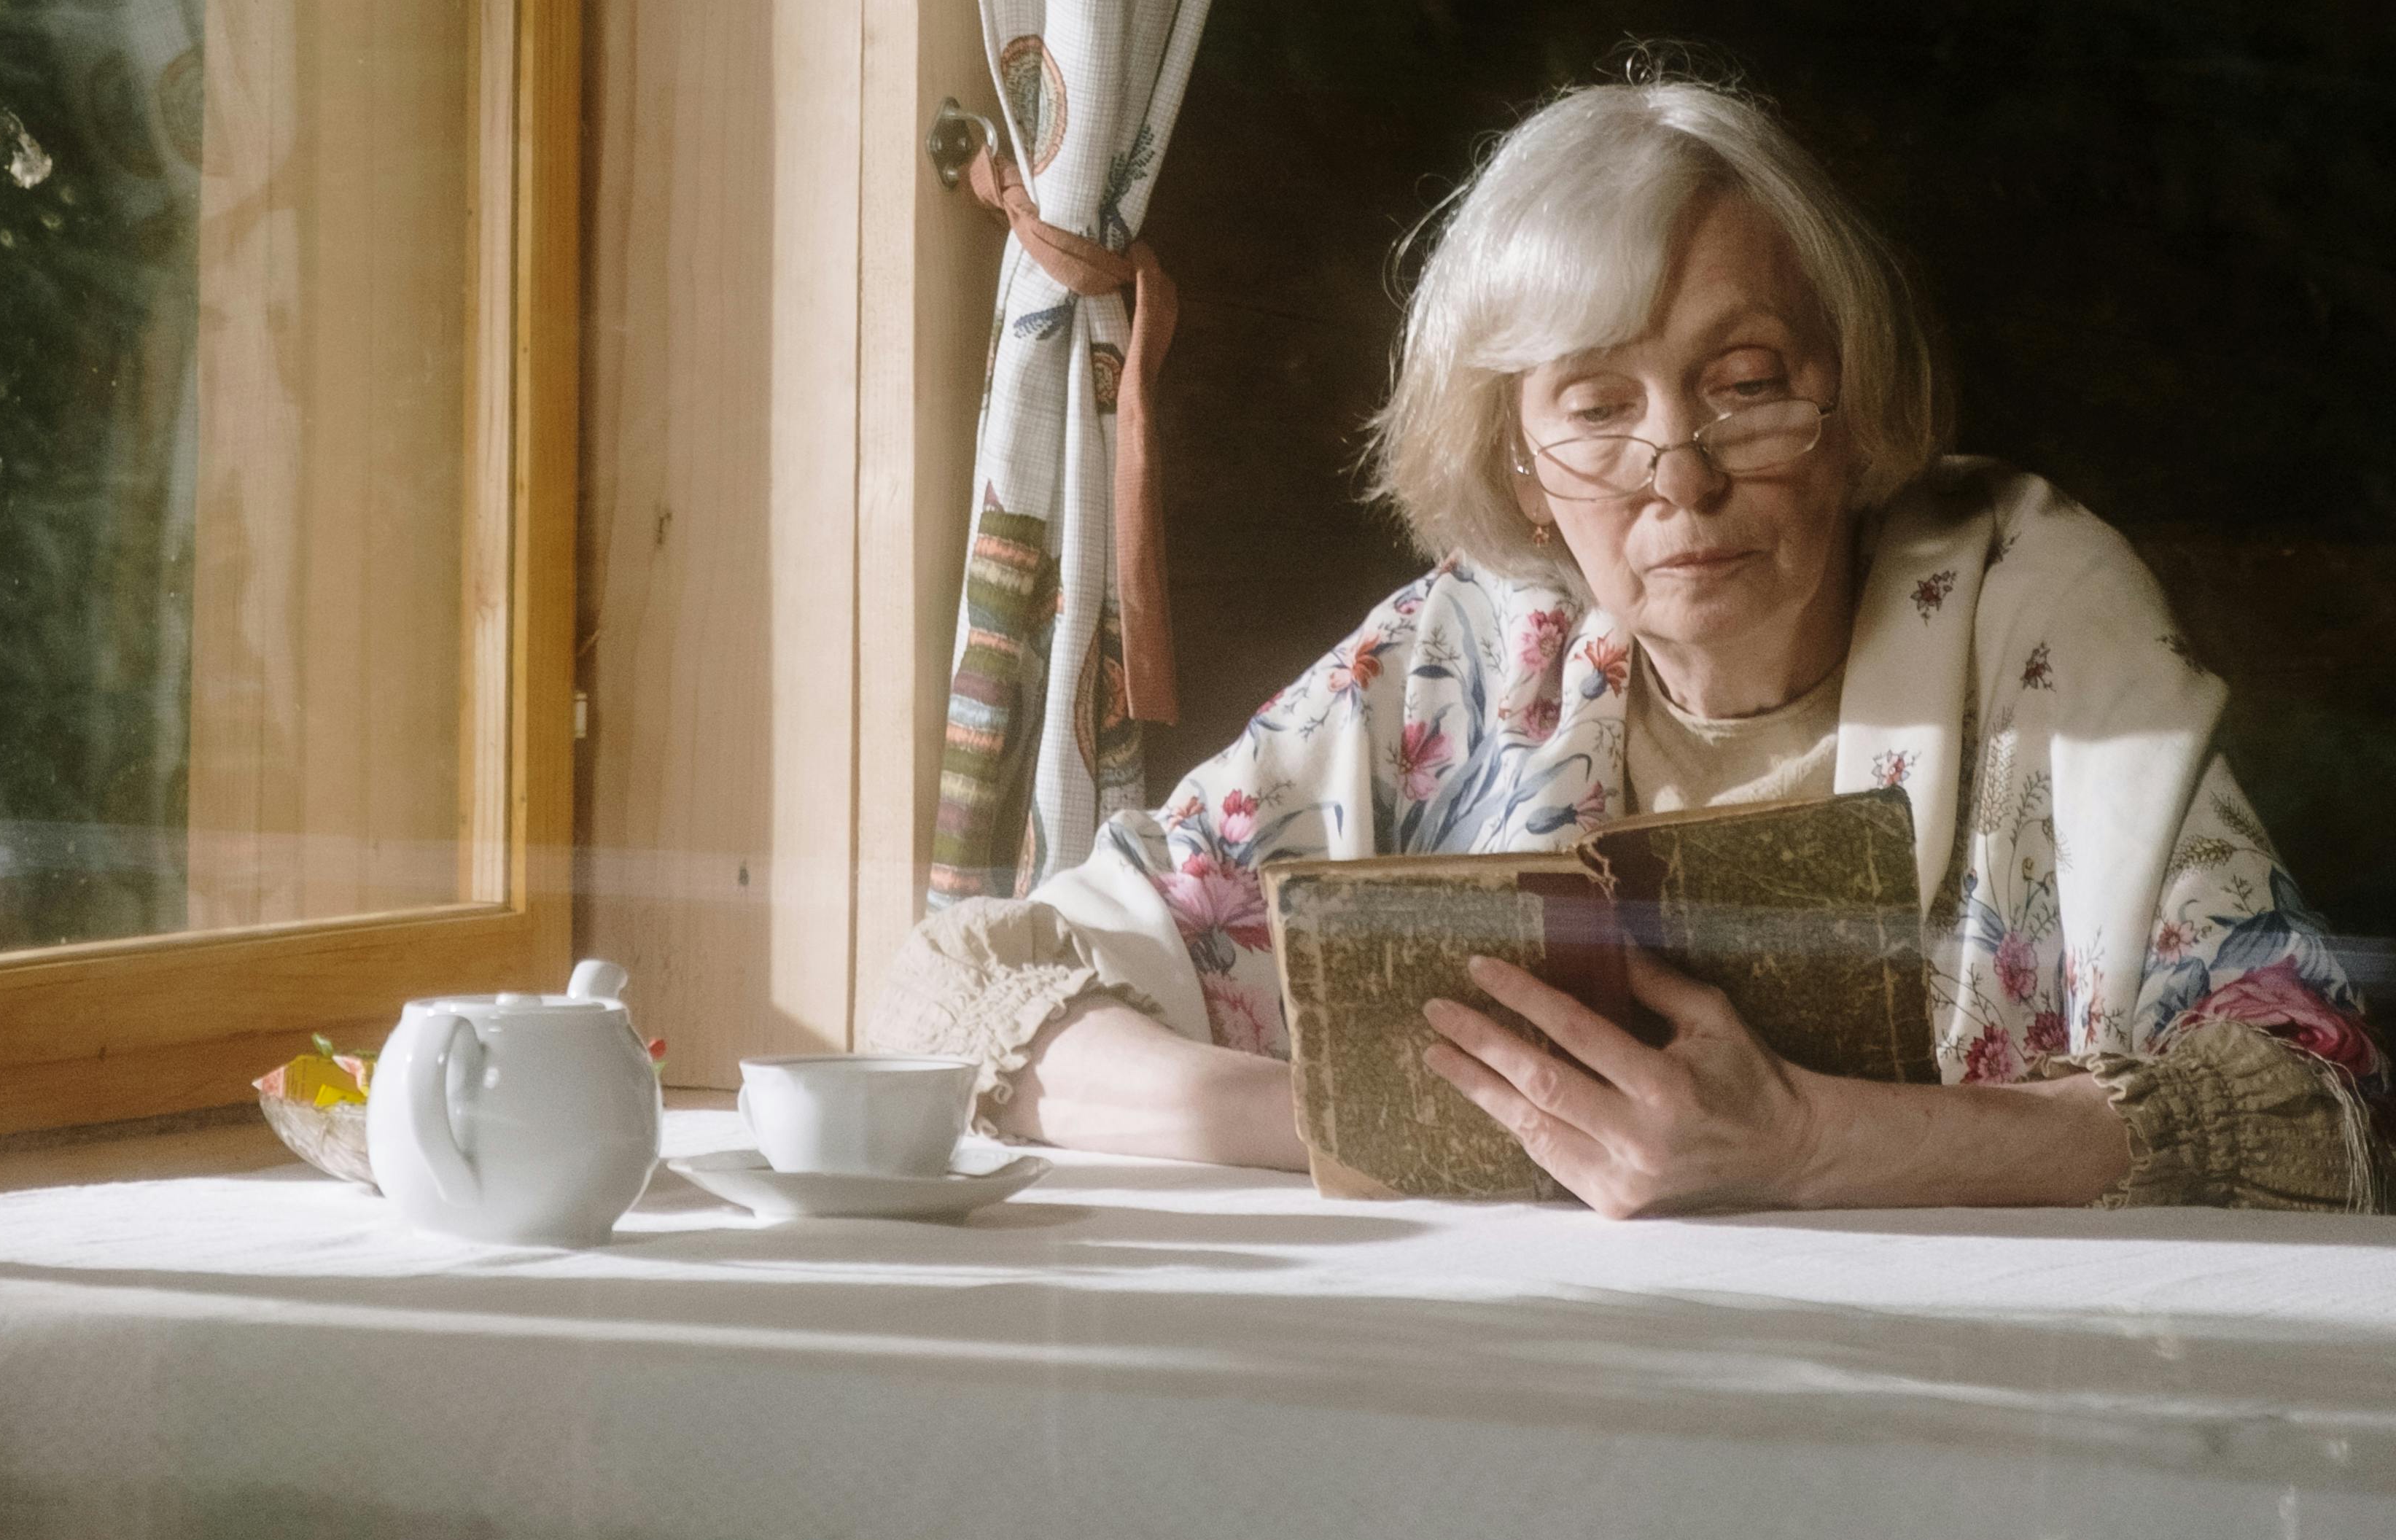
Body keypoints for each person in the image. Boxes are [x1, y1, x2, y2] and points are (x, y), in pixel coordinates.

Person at [881, 77, 2385, 1212]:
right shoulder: (1475, 653)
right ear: (1521, 463)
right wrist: (1402, 1120)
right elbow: (966, 991)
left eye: (1741, 383)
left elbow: (2309, 1112)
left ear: (1845, 400)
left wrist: (1802, 1146)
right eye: (1595, 408)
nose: (1677, 472)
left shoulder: (2027, 615)